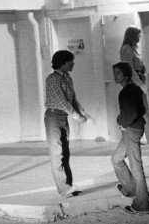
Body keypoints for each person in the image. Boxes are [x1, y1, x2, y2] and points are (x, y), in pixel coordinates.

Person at [44, 50, 88, 198]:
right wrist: (77, 116)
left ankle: (69, 186)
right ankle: (63, 188)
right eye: (70, 61)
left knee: (65, 153)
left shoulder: (67, 78)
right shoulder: (53, 79)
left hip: (63, 117)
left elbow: (72, 98)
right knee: (57, 153)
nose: (73, 63)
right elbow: (62, 102)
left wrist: (81, 112)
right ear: (62, 63)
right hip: (53, 117)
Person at [111, 61, 149, 215]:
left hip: (131, 129)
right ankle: (130, 189)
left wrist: (122, 123)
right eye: (114, 72)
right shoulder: (134, 89)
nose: (116, 75)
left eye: (118, 73)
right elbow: (141, 109)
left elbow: (134, 112)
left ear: (126, 75)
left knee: (136, 167)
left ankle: (142, 205)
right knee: (116, 159)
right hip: (135, 128)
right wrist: (122, 120)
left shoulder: (126, 92)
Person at [120, 26, 149, 145]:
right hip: (134, 85)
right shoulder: (127, 49)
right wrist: (139, 85)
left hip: (138, 82)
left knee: (140, 111)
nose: (139, 37)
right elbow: (130, 70)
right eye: (137, 35)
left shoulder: (133, 49)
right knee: (142, 110)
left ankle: (141, 138)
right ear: (132, 36)